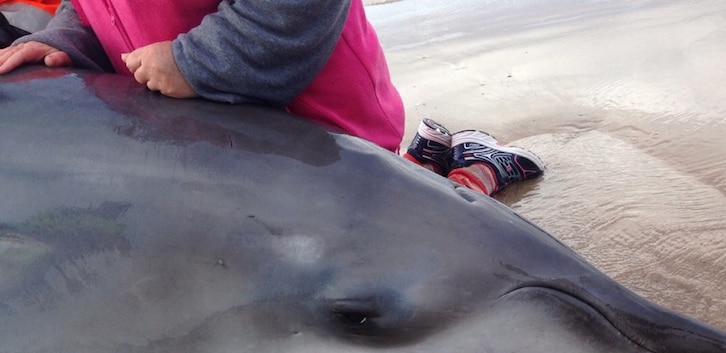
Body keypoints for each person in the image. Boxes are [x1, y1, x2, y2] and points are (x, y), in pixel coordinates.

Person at [0, 0, 543, 196]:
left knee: (382, 240)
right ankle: (420, 163)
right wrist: (62, 41)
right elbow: (92, 7)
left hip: (316, 130)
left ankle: (476, 168)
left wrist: (196, 63)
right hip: (206, 135)